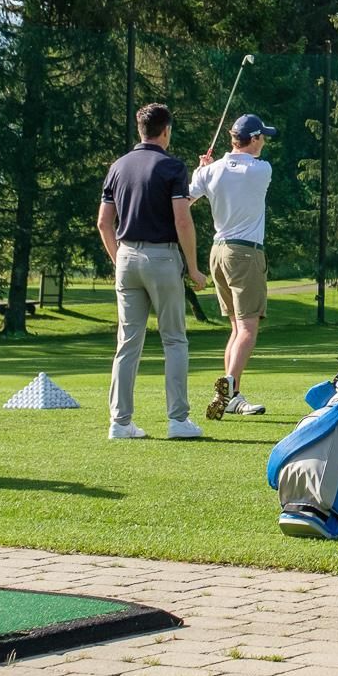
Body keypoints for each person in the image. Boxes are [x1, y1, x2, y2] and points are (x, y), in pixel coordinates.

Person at [97, 103, 208, 440]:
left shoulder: (118, 167)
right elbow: (181, 218)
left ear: (141, 129)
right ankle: (177, 420)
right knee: (174, 339)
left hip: (127, 256)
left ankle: (120, 423)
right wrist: (193, 268)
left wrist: (120, 261)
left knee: (127, 344)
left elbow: (104, 222)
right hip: (162, 259)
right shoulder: (172, 166)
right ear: (166, 131)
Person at [191, 113, 278, 420]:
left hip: (218, 252)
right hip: (244, 253)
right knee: (249, 329)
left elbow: (187, 199)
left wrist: (203, 170)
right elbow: (241, 170)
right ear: (253, 139)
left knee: (236, 328)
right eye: (262, 137)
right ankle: (228, 390)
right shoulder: (260, 169)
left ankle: (232, 393)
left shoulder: (210, 171)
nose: (264, 141)